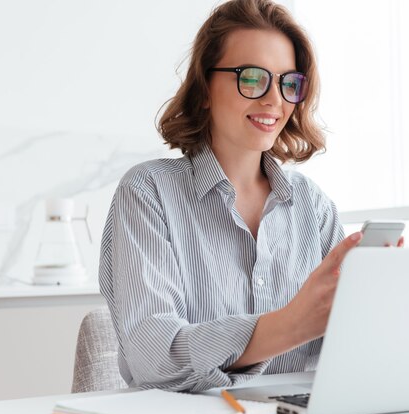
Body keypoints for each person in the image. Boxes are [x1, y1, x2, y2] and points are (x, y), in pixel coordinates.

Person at [99, 0, 381, 392]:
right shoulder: (148, 193)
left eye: (288, 83)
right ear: (203, 91)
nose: (274, 100)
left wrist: (382, 306)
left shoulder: (313, 207)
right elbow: (154, 357)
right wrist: (287, 327)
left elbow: (352, 344)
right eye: (252, 78)